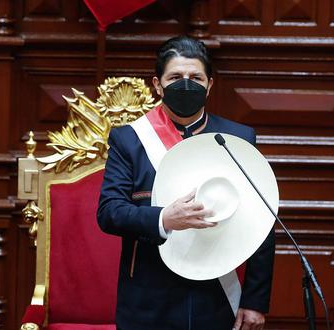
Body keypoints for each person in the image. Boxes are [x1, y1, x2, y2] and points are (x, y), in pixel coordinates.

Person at [97, 36, 275, 330]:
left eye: (196, 77)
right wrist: (164, 218)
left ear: (209, 84)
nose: (186, 84)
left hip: (216, 295)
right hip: (149, 296)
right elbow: (109, 212)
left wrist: (254, 300)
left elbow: (261, 222)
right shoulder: (129, 140)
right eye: (176, 77)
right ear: (157, 84)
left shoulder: (238, 139)